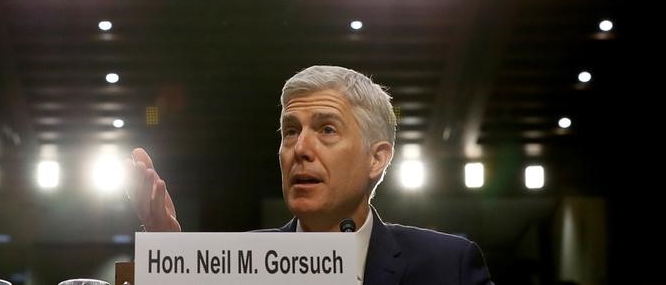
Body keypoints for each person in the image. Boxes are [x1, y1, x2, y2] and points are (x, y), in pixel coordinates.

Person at [125, 65, 494, 285]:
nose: (300, 148)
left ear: (376, 159)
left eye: (327, 130)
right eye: (290, 131)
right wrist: (167, 258)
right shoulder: (239, 266)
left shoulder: (448, 267)